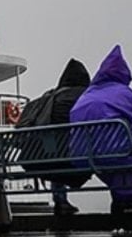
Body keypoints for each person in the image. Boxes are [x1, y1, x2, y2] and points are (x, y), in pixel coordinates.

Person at [69, 45, 132, 214]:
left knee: (116, 159)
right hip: (116, 153)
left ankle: (124, 199)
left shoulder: (85, 96)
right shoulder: (122, 92)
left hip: (84, 156)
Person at [16, 58, 91, 215]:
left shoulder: (48, 97)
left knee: (54, 151)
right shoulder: (85, 97)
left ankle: (60, 200)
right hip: (77, 156)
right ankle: (125, 198)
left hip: (44, 156)